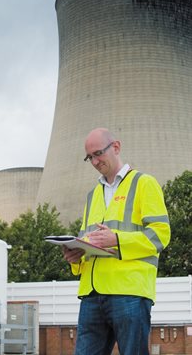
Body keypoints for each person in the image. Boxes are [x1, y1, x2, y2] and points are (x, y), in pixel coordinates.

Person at [63, 127, 170, 355]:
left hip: (129, 292)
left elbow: (161, 234)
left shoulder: (144, 183)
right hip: (92, 295)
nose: (94, 161)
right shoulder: (92, 195)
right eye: (89, 157)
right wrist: (75, 256)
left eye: (98, 153)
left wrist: (117, 239)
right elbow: (87, 240)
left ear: (116, 147)